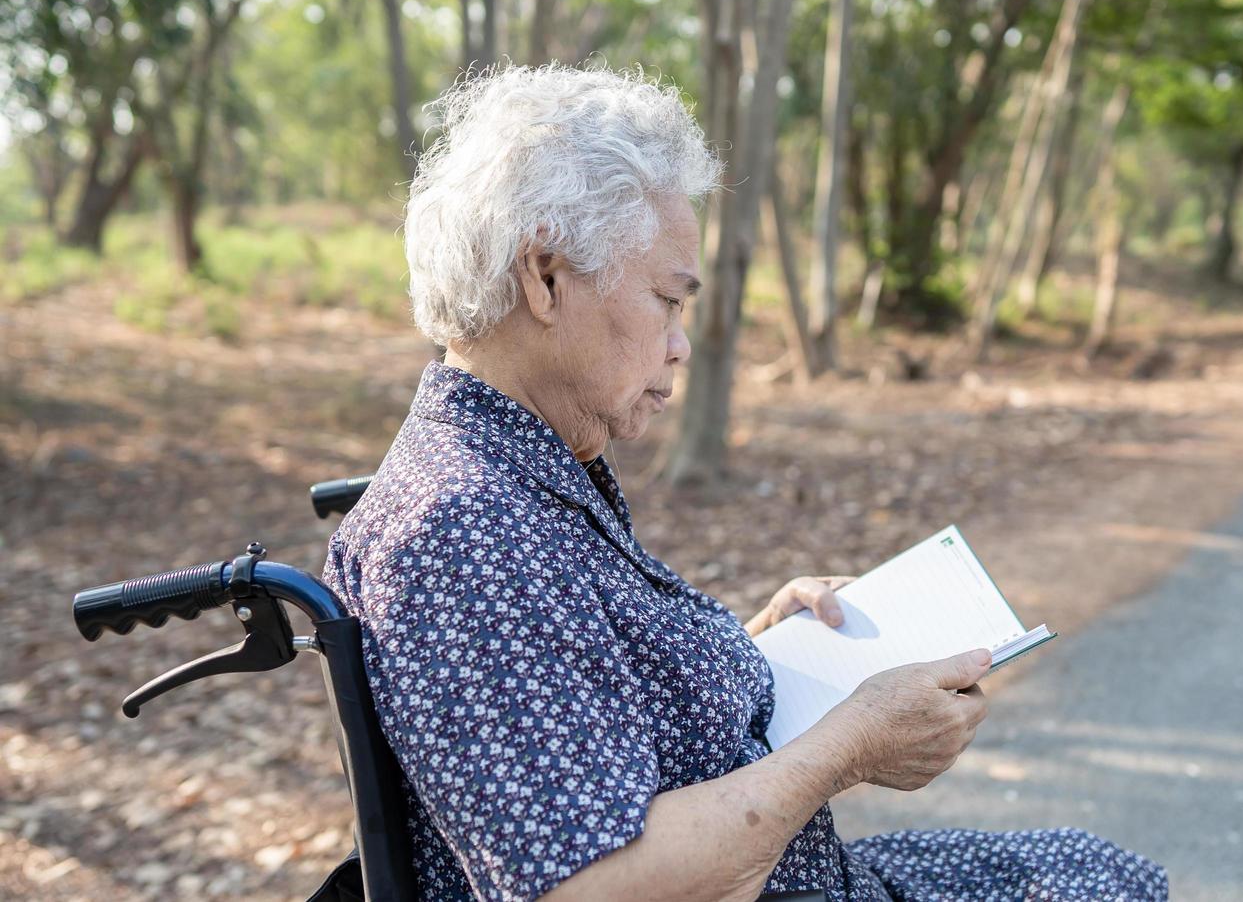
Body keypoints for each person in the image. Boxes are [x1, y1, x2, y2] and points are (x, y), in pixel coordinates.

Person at [321, 64, 1168, 902]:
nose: (681, 344)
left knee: (1088, 867)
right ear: (545, 277)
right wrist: (849, 746)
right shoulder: (458, 530)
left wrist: (759, 650)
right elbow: (589, 886)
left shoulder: (522, 470)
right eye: (667, 299)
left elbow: (589, 708)